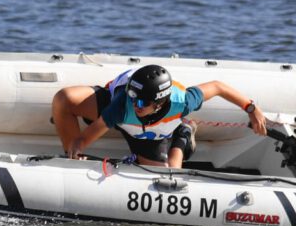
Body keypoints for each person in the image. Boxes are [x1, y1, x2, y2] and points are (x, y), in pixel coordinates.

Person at [51, 63, 267, 168]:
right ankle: (72, 164)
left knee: (168, 174)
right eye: (133, 97)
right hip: (118, 113)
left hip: (153, 131)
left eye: (141, 102)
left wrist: (251, 108)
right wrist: (76, 148)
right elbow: (86, 137)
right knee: (64, 99)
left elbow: (218, 87)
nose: (136, 104)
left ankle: (182, 134)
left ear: (159, 103)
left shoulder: (183, 102)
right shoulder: (124, 105)